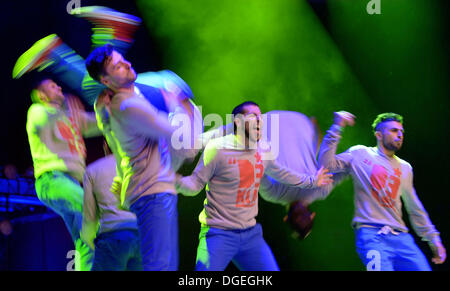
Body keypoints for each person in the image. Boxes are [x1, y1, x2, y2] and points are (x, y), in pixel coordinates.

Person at [176, 101, 333, 271]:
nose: (258, 120)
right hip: (219, 232)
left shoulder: (263, 150)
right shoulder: (222, 149)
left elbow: (282, 173)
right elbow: (194, 183)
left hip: (249, 235)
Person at [85, 43, 199, 271]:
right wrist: (176, 102)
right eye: (118, 66)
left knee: (160, 264)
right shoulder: (129, 106)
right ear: (106, 81)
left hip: (147, 191)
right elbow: (178, 134)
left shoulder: (119, 104)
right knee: (161, 266)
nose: (127, 64)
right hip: (153, 192)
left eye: (123, 59)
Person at [318, 111, 446, 271]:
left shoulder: (405, 168)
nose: (399, 135)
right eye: (394, 130)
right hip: (371, 236)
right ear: (379, 134)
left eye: (401, 131)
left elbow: (414, 207)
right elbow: (326, 165)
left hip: (402, 239)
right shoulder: (360, 153)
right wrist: (337, 126)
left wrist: (434, 239)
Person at [24, 78, 101, 271]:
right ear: (42, 95)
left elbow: (100, 123)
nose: (59, 87)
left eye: (58, 85)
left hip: (71, 184)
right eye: (52, 86)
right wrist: (68, 111)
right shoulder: (37, 110)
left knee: (87, 241)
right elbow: (44, 121)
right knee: (96, 214)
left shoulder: (69, 116)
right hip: (52, 180)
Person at [81, 141, 142, 271]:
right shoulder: (141, 167)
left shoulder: (93, 170)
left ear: (105, 146)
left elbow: (89, 218)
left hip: (113, 236)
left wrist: (88, 240)